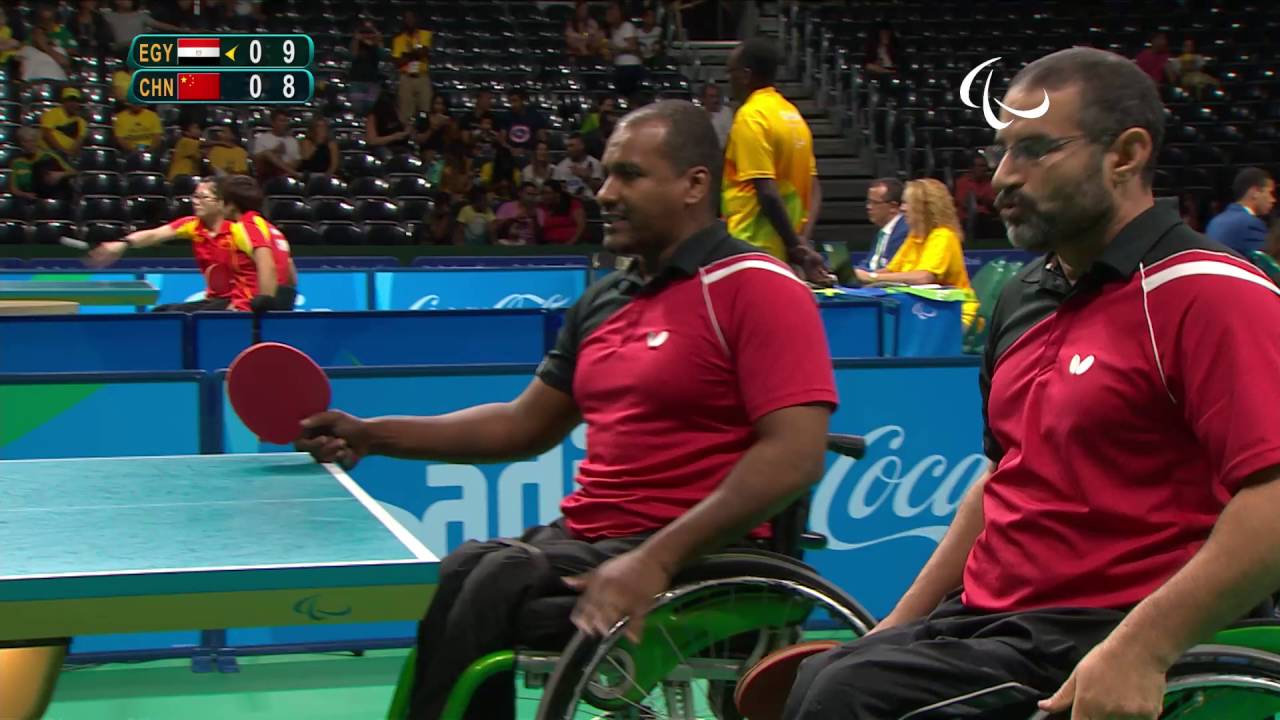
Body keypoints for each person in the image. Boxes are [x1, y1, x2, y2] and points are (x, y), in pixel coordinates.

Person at [780, 46, 1280, 720]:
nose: (1003, 179)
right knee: (824, 677)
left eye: (1035, 151)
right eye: (1000, 154)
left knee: (848, 698)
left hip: (1102, 630)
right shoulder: (1024, 296)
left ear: (1126, 155)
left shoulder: (1209, 294)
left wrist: (1144, 648)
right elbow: (1005, 480)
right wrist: (895, 624)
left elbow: (1273, 499)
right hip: (993, 622)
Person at [296, 98, 837, 720]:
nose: (604, 192)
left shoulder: (758, 287)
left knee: (496, 578)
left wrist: (655, 559)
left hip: (699, 554)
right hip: (590, 540)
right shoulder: (605, 302)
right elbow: (522, 426)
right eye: (605, 173)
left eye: (629, 174)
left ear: (694, 186)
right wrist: (372, 434)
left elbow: (794, 456)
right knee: (470, 566)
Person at [723, 37, 832, 285]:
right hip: (783, 253)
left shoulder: (752, 116)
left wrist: (795, 247)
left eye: (730, 71)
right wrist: (801, 240)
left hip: (751, 249)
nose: (727, 78)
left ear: (746, 75)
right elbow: (814, 188)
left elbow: (767, 191)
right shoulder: (792, 115)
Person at [86, 177, 235, 312]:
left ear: (221, 202)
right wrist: (123, 243)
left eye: (203, 197)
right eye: (195, 196)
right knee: (161, 312)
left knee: (180, 315)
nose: (196, 201)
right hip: (214, 299)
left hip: (237, 300)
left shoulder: (238, 231)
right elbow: (154, 234)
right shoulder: (192, 225)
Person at [855, 178, 978, 327]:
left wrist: (872, 277)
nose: (903, 208)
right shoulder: (915, 236)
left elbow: (924, 276)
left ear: (924, 207)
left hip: (953, 312)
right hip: (921, 309)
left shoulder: (943, 236)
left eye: (908, 203)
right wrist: (858, 277)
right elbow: (890, 270)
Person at [217, 174, 299, 312]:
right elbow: (289, 270)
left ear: (231, 205)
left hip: (247, 311)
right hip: (278, 308)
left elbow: (266, 262)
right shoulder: (271, 229)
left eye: (221, 201)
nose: (219, 206)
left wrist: (265, 304)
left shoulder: (244, 227)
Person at [1205, 167, 1274, 257]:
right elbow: (1270, 265)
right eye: (1270, 192)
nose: (1273, 199)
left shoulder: (1215, 221)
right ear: (1255, 192)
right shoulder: (1251, 224)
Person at [390, 10, 432, 124]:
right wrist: (415, 54)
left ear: (416, 19)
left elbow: (424, 52)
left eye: (411, 18)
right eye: (406, 18)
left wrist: (407, 56)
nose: (409, 21)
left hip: (422, 77)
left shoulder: (425, 34)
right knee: (405, 113)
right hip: (406, 78)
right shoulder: (398, 39)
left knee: (424, 109)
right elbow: (397, 62)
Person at [859, 177, 907, 271]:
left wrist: (867, 275)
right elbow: (870, 264)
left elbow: (890, 269)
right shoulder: (883, 232)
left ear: (893, 206)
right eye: (868, 202)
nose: (868, 207)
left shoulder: (904, 231)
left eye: (875, 203)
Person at [538, 178, 586, 244]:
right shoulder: (541, 206)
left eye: (547, 193)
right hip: (548, 246)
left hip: (572, 245)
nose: (544, 196)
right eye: (543, 193)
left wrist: (569, 244)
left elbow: (581, 226)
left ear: (557, 194)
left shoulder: (572, 203)